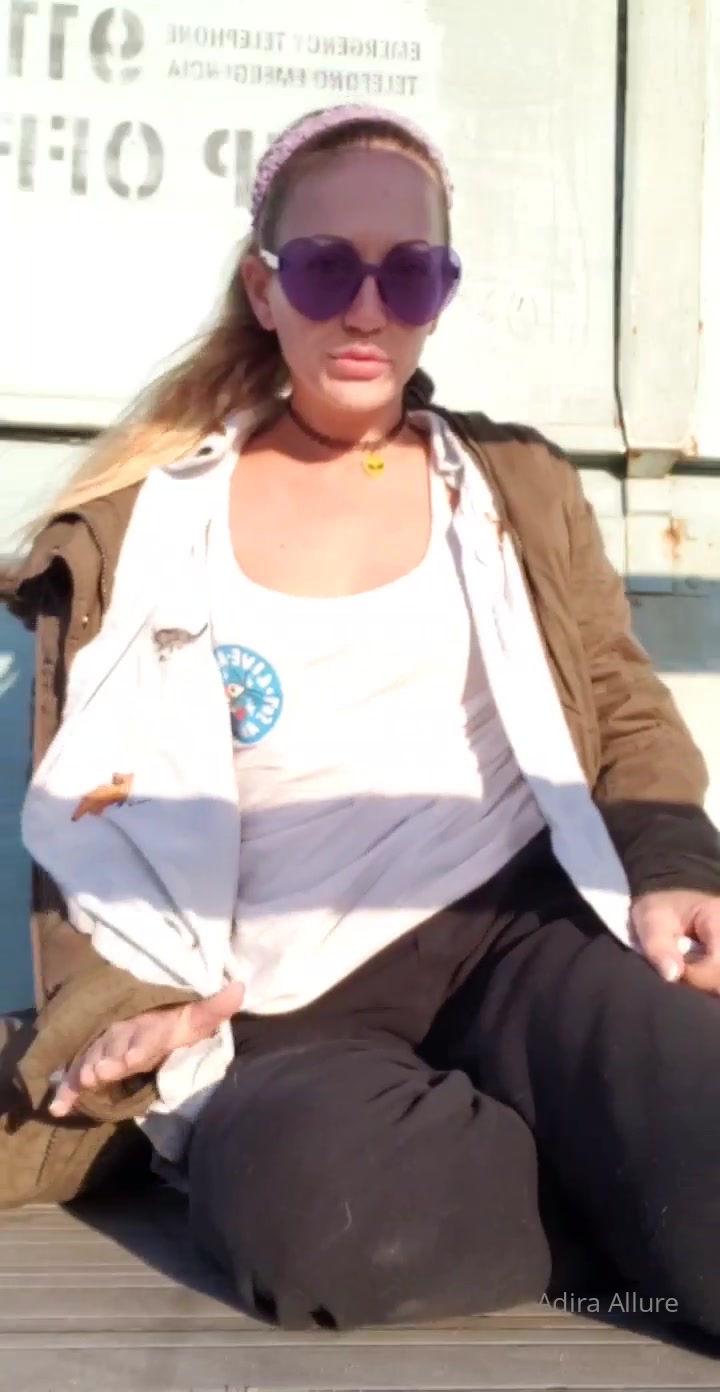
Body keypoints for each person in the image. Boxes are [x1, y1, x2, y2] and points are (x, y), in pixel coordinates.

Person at [2, 102, 720, 1336]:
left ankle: (638, 1169)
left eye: (413, 274)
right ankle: (611, 1187)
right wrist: (123, 1012)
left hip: (520, 922)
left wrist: (674, 868)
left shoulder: (513, 482)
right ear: (265, 289)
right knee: (321, 1225)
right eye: (328, 270)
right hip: (293, 998)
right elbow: (91, 819)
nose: (369, 311)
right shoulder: (142, 534)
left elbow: (619, 699)